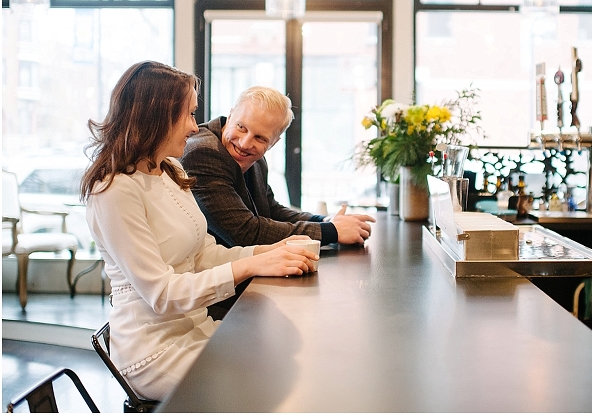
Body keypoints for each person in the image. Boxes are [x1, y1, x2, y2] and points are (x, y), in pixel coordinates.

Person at [80, 61, 316, 402]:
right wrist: (251, 265)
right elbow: (161, 294)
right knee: (267, 386)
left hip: (196, 328)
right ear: (158, 116)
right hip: (153, 352)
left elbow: (203, 254)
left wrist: (270, 252)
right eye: (189, 115)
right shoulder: (114, 191)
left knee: (284, 361)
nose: (195, 127)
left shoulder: (170, 169)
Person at [180, 86, 375, 249]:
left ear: (273, 142)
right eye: (241, 127)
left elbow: (271, 210)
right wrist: (332, 231)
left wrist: (324, 220)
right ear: (230, 116)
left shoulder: (255, 157)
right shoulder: (204, 152)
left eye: (260, 137)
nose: (246, 143)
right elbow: (244, 233)